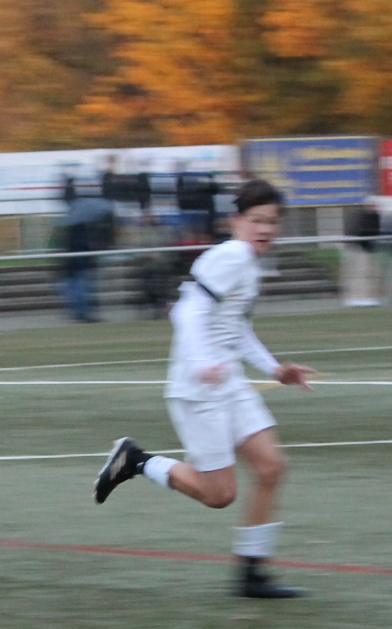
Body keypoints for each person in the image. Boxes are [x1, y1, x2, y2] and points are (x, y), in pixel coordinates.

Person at [90, 180, 319, 599]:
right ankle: (135, 460)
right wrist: (200, 363)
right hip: (200, 390)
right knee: (219, 495)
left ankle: (252, 574)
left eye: (272, 222)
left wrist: (275, 369)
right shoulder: (232, 255)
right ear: (236, 220)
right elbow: (187, 311)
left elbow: (236, 328)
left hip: (228, 382)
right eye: (256, 220)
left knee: (271, 467)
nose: (265, 229)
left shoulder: (248, 263)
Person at [57, 177, 113, 324]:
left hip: (75, 263)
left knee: (78, 287)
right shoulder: (82, 228)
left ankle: (81, 312)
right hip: (80, 263)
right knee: (82, 287)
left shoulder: (72, 224)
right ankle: (83, 313)